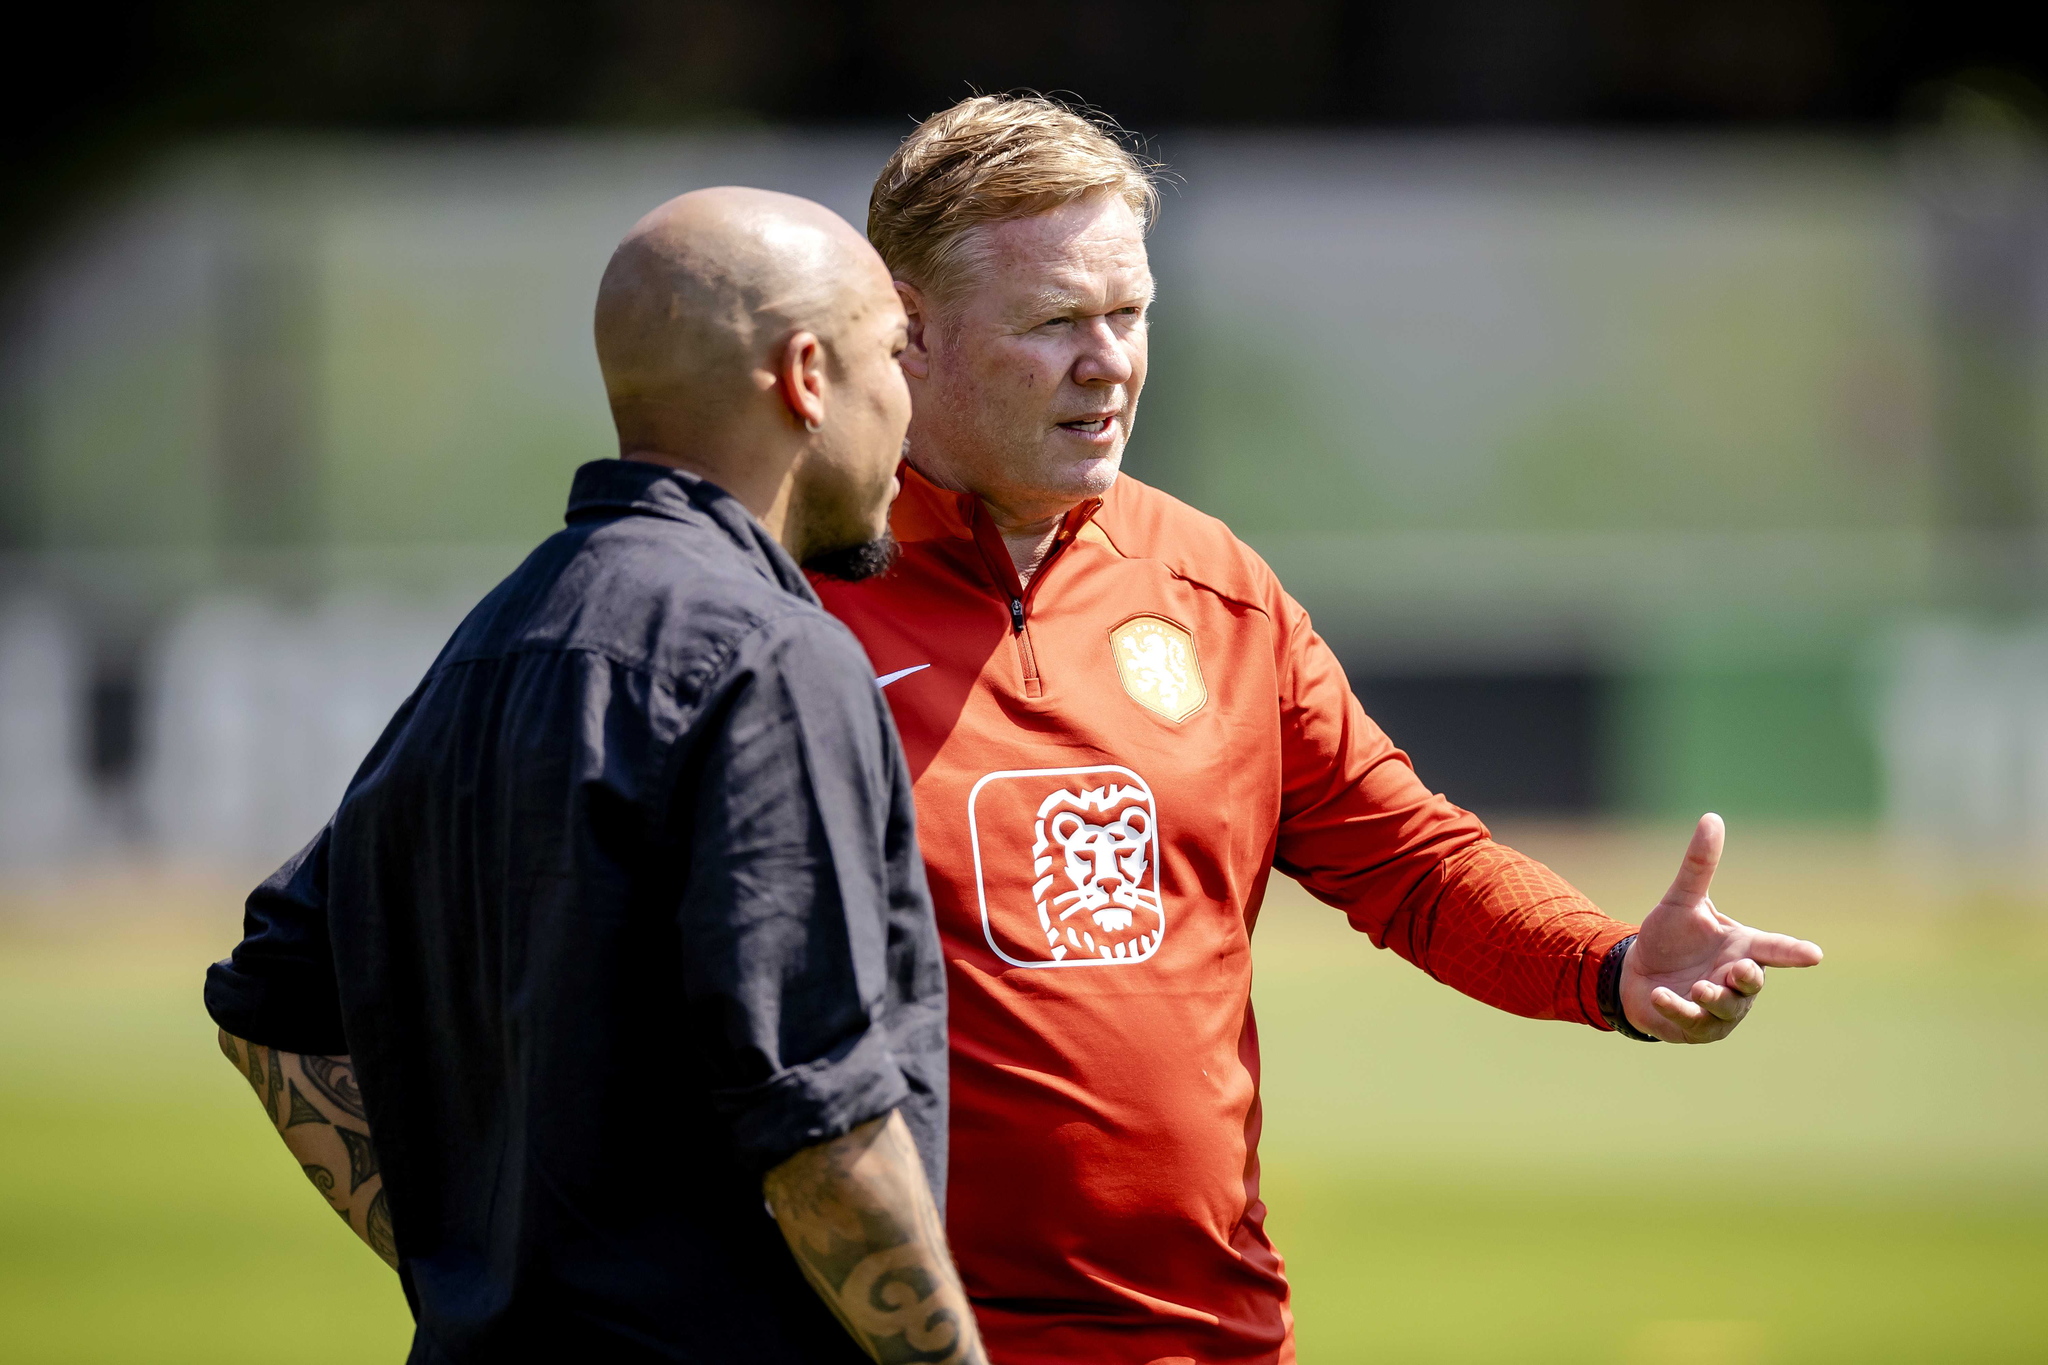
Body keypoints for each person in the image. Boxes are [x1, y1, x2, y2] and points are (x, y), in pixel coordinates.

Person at [814, 95, 1828, 1365]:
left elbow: (1410, 863)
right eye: (1053, 323)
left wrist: (1608, 969)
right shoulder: (785, 608)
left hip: (1212, 1333)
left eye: (1128, 314)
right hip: (898, 1344)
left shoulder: (1208, 582)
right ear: (907, 335)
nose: (1109, 361)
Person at [204, 186, 987, 1365]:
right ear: (806, 377)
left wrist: (479, 1271)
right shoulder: (772, 656)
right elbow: (822, 1126)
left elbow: (272, 1010)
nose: (909, 398)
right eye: (891, 354)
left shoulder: (492, 643)